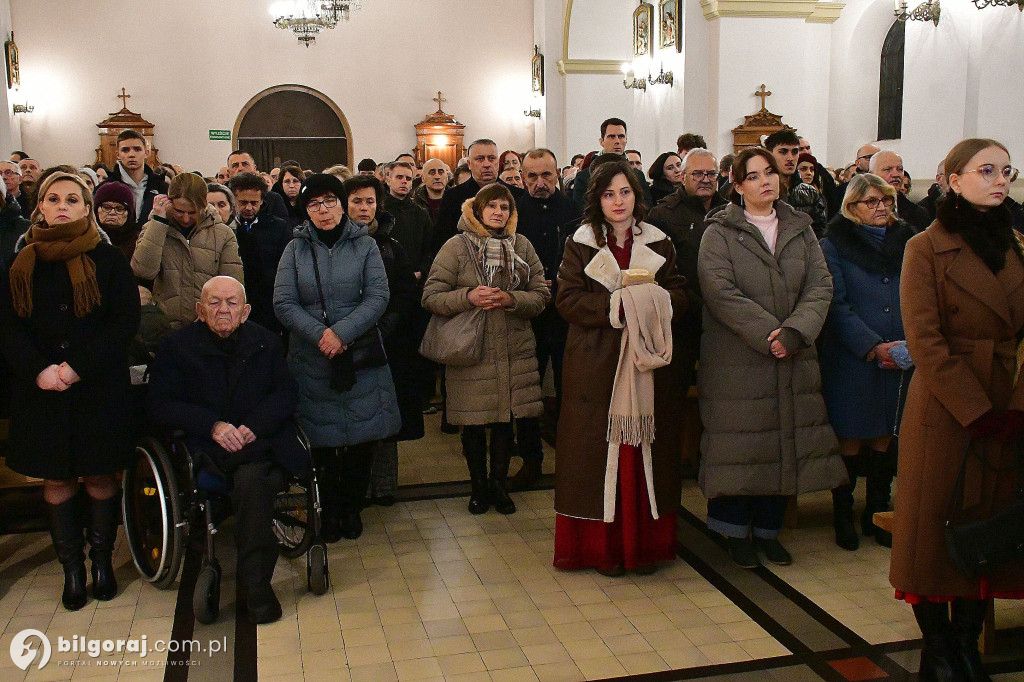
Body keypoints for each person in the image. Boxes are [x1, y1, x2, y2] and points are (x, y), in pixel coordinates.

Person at [890, 138, 1024, 681]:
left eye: (1007, 173)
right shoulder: (925, 247)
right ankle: (939, 647)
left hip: (1009, 402)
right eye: (987, 170)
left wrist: (1015, 405)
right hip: (946, 410)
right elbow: (925, 340)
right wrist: (975, 408)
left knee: (985, 530)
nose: (999, 181)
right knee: (930, 531)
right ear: (952, 177)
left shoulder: (1018, 245)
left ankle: (966, 642)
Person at [0, 172, 141, 611]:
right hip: (40, 390)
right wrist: (39, 370)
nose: (63, 205)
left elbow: (124, 322)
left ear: (87, 209)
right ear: (39, 206)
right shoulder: (19, 262)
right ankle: (72, 570)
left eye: (73, 199)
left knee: (100, 473)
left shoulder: (108, 258)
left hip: (96, 386)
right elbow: (7, 327)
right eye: (54, 198)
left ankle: (101, 562)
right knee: (57, 478)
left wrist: (78, 367)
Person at [697, 148, 843, 569]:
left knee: (782, 442)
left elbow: (820, 284)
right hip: (738, 358)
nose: (766, 181)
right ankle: (732, 532)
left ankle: (768, 531)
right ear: (738, 185)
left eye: (771, 173)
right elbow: (720, 291)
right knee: (740, 447)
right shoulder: (720, 232)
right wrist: (769, 334)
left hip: (793, 351)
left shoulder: (801, 228)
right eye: (754, 175)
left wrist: (795, 331)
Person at [553, 160, 687, 575]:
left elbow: (681, 292)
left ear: (637, 196)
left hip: (647, 365)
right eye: (609, 194)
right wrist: (619, 305)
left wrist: (652, 301)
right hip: (596, 366)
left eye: (625, 193)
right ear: (597, 199)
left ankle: (644, 546)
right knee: (597, 455)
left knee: (647, 451)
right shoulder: (581, 243)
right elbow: (567, 300)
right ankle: (601, 549)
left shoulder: (660, 242)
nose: (618, 201)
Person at [147, 276, 304, 624]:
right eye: (215, 303)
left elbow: (285, 394)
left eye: (232, 303)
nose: (224, 310)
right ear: (200, 311)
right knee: (252, 482)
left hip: (259, 444)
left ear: (245, 311)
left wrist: (254, 427)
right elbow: (160, 404)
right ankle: (257, 587)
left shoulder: (266, 342)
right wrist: (212, 426)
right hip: (205, 446)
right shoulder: (176, 348)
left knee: (254, 480)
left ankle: (255, 585)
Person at [274, 174, 401, 541]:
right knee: (322, 442)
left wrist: (342, 333)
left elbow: (378, 296)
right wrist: (321, 336)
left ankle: (352, 508)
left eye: (330, 200)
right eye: (314, 203)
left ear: (342, 203)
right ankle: (327, 509)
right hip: (312, 357)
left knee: (362, 438)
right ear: (305, 209)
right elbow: (283, 302)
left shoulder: (365, 246)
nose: (323, 210)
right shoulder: (295, 249)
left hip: (357, 352)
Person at [422, 183, 549, 516]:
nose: (498, 212)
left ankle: (499, 487)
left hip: (512, 347)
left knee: (505, 422)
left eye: (504, 207)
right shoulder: (457, 246)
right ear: (477, 211)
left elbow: (540, 295)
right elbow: (431, 296)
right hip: (472, 350)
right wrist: (468, 297)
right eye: (491, 206)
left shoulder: (521, 244)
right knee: (474, 425)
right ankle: (478, 488)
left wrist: (511, 299)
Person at [819, 173, 915, 551]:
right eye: (872, 202)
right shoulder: (833, 245)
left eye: (886, 201)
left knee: (885, 433)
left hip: (901, 354)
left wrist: (907, 344)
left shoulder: (908, 241)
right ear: (852, 206)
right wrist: (873, 346)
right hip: (852, 356)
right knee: (851, 435)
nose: (881, 208)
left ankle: (876, 511)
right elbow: (836, 305)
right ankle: (842, 514)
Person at [344, 175, 423, 506]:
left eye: (370, 201)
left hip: (387, 340)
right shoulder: (336, 243)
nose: (364, 208)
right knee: (354, 414)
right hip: (347, 338)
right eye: (357, 201)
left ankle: (385, 484)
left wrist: (386, 326)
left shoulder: (391, 244)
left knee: (385, 411)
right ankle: (357, 485)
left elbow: (405, 292)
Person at [511, 148, 581, 489]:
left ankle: (575, 460)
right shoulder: (513, 214)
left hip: (569, 315)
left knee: (573, 389)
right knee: (526, 391)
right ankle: (530, 459)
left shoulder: (574, 212)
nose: (540, 183)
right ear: (523, 178)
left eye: (547, 175)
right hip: (529, 317)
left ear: (558, 175)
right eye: (533, 176)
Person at [648, 148, 726, 389]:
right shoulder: (662, 214)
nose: (705, 179)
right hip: (681, 319)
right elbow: (659, 271)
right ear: (682, 176)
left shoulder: (730, 211)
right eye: (698, 174)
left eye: (711, 174)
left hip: (724, 317)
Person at [131, 172, 243, 328]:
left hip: (208, 325)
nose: (185, 218)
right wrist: (158, 222)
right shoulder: (153, 228)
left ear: (204, 204)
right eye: (179, 211)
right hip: (165, 325)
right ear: (169, 202)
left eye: (192, 212)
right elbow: (143, 271)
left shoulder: (222, 234)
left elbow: (233, 285)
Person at [228, 172, 291, 336]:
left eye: (254, 203)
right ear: (233, 200)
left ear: (262, 201)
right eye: (243, 202)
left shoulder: (279, 227)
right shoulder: (226, 228)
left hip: (266, 304)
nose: (248, 208)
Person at [433, 139, 517, 254]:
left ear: (498, 162)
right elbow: (442, 240)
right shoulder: (453, 197)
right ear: (469, 164)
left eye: (491, 158)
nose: (487, 164)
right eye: (480, 159)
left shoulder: (516, 195)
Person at [572, 118, 653, 211]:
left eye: (621, 136)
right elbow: (581, 210)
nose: (617, 141)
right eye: (611, 137)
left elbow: (645, 208)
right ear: (601, 141)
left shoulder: (637, 175)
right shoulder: (584, 176)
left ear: (626, 140)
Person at [765, 130, 828, 237]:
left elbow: (819, 232)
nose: (790, 158)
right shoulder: (762, 189)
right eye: (783, 152)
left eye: (794, 152)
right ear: (770, 154)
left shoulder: (810, 192)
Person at [103, 131, 168, 223]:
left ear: (146, 153)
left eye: (137, 149)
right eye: (125, 150)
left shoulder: (161, 187)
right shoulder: (106, 188)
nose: (131, 155)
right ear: (117, 154)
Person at [383, 161, 434, 279]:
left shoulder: (421, 213)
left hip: (415, 278)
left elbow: (429, 247)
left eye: (408, 178)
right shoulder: (380, 211)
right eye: (399, 177)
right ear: (388, 180)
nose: (404, 181)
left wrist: (422, 272)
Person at [869, 151, 931, 231]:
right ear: (871, 175)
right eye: (888, 169)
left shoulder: (918, 213)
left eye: (900, 169)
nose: (895, 174)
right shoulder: (858, 210)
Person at [227, 151, 290, 220]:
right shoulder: (223, 197)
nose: (240, 168)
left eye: (245, 164)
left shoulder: (273, 199)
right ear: (229, 172)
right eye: (235, 165)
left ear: (254, 169)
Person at [830, 142, 881, 218]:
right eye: (869, 158)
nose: (874, 161)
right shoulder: (843, 190)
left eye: (878, 158)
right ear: (857, 163)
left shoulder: (888, 186)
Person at [93, 181, 140, 262]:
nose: (112, 213)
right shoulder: (86, 237)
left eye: (119, 208)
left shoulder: (138, 243)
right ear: (96, 210)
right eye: (106, 207)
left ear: (129, 213)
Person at [412, 157, 448, 224]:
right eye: (432, 172)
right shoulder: (414, 204)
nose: (437, 177)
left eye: (441, 172)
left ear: (447, 177)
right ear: (423, 178)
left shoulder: (457, 200)